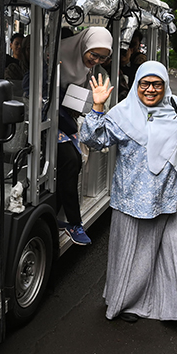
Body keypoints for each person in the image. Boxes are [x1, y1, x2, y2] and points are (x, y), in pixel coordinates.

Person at [80, 61, 177, 326]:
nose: (150, 90)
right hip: (133, 196)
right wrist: (98, 106)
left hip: (168, 192)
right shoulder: (124, 113)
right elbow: (93, 139)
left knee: (174, 249)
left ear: (164, 85)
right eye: (144, 84)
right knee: (132, 253)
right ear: (137, 84)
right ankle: (126, 302)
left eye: (156, 84)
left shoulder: (174, 106)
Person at [57, 27, 113, 245]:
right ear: (83, 46)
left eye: (102, 57)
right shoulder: (56, 57)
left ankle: (62, 216)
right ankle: (74, 222)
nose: (96, 60)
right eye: (93, 54)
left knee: (74, 162)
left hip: (67, 121)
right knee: (70, 160)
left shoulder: (89, 71)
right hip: (45, 121)